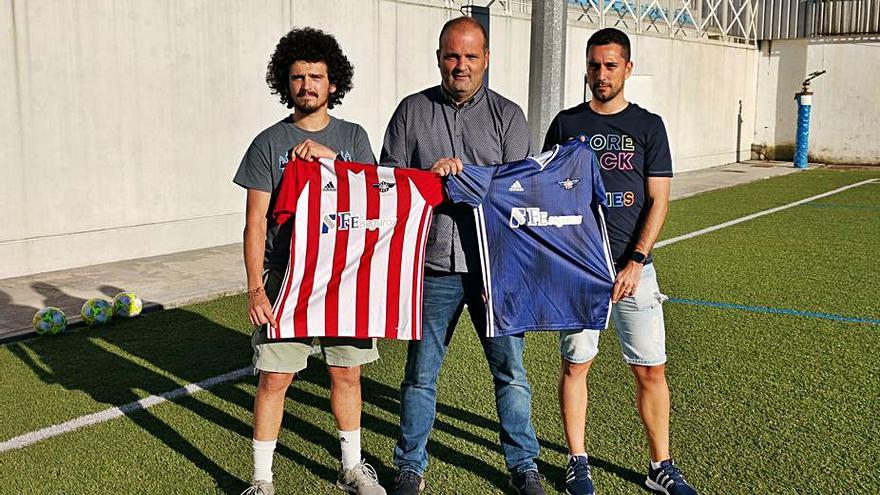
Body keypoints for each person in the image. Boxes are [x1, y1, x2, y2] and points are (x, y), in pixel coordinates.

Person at [381, 16, 545, 495]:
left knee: (510, 372)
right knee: (420, 374)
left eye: (471, 57)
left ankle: (524, 466)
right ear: (438, 58)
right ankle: (410, 466)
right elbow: (389, 181)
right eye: (452, 56)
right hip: (433, 266)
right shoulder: (411, 111)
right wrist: (432, 179)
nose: (461, 65)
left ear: (486, 59)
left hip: (495, 269)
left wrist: (466, 176)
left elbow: (520, 190)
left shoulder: (508, 116)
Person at [542, 28, 697, 495]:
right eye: (593, 65)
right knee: (576, 365)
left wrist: (635, 261)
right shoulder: (567, 124)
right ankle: (577, 461)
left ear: (627, 68)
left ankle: (660, 466)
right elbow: (548, 189)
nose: (600, 74)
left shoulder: (649, 126)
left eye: (610, 65)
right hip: (581, 270)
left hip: (635, 269)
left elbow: (659, 201)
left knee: (650, 368)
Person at [233, 27, 385, 495]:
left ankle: (352, 467)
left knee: (346, 372)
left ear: (333, 83)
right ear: (286, 82)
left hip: (343, 276)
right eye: (298, 77)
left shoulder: (353, 137)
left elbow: (375, 199)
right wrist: (257, 288)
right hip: (287, 278)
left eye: (316, 76)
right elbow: (255, 223)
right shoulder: (267, 143)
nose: (307, 85)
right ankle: (262, 479)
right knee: (275, 377)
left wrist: (333, 159)